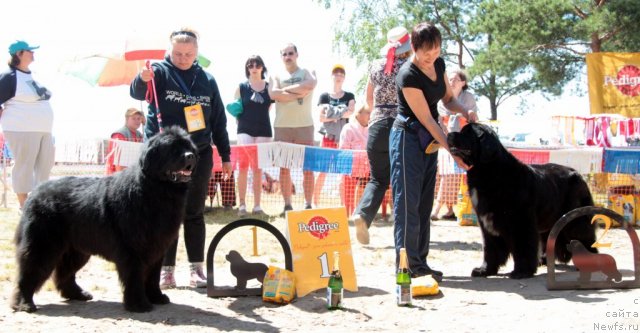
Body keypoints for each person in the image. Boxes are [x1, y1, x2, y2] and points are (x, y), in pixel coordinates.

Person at [130, 28, 232, 289]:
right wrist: (142, 79)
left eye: (188, 54)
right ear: (170, 50)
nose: (183, 58)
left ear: (197, 52)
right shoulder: (159, 72)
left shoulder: (207, 80)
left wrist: (226, 155)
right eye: (178, 53)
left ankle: (197, 270)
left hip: (199, 152)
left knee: (194, 212)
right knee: (166, 213)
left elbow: (219, 119)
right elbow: (137, 92)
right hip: (165, 156)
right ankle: (165, 271)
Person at [390, 22, 477, 281]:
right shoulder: (407, 75)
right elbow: (428, 119)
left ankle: (421, 263)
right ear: (414, 48)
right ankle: (407, 267)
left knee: (425, 203)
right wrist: (453, 152)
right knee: (408, 204)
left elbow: (448, 100)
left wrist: (465, 111)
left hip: (429, 142)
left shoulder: (439, 66)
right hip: (407, 139)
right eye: (426, 51)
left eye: (436, 49)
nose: (432, 56)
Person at [351, 26, 413, 245]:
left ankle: (363, 215)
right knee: (404, 179)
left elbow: (369, 100)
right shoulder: (409, 67)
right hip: (401, 127)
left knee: (378, 179)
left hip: (376, 127)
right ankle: (405, 229)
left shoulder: (375, 66)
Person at [0, 40, 55, 209]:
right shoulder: (9, 77)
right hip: (21, 128)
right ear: (19, 54)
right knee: (24, 165)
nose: (33, 53)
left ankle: (39, 204)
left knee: (45, 166)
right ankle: (24, 206)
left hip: (44, 130)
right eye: (29, 50)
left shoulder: (32, 76)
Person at [268, 43, 317, 212]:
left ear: (297, 54)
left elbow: (310, 85)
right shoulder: (275, 75)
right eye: (284, 54)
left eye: (291, 53)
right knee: (284, 168)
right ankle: (287, 204)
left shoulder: (307, 71)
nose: (288, 56)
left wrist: (285, 91)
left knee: (308, 168)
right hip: (282, 127)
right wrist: (298, 91)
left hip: (305, 126)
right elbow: (273, 94)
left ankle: (308, 204)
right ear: (281, 57)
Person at [432, 70, 478, 220]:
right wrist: (460, 115)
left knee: (459, 176)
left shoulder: (468, 97)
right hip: (447, 141)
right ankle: (439, 208)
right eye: (450, 79)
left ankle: (450, 209)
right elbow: (442, 119)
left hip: (465, 141)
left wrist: (460, 116)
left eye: (456, 79)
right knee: (447, 175)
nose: (452, 81)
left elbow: (472, 117)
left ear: (463, 82)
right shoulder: (442, 99)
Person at [234, 55, 272, 217]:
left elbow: (269, 108)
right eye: (250, 65)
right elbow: (235, 110)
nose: (254, 67)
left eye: (257, 64)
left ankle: (257, 205)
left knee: (258, 169)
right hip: (244, 130)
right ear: (247, 68)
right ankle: (242, 204)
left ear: (262, 67)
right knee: (242, 167)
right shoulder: (241, 87)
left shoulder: (270, 87)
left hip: (263, 130)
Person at [312, 64, 355, 207]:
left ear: (344, 77)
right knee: (322, 171)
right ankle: (314, 203)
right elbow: (321, 117)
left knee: (343, 172)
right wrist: (339, 114)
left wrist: (332, 113)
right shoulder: (324, 96)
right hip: (328, 136)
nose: (339, 75)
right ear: (331, 76)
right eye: (336, 72)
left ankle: (344, 206)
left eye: (342, 73)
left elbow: (351, 112)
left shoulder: (349, 95)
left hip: (343, 138)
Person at [339, 103, 370, 216]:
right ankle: (347, 215)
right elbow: (343, 149)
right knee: (347, 197)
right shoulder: (348, 128)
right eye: (367, 112)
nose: (370, 115)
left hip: (366, 171)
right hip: (350, 170)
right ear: (358, 114)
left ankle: (358, 214)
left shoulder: (372, 129)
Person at [105, 108, 145, 175]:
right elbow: (118, 160)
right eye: (134, 118)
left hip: (131, 173)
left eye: (139, 118)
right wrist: (121, 176)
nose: (137, 121)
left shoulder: (140, 136)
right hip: (115, 176)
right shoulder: (119, 135)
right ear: (127, 119)